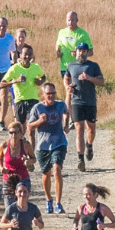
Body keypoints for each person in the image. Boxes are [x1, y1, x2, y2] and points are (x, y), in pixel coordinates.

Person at [28, 81, 72, 212]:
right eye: (48, 94)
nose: (51, 96)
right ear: (43, 94)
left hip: (59, 143)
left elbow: (66, 112)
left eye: (53, 93)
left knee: (57, 170)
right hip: (43, 146)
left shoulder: (60, 104)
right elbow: (30, 126)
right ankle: (49, 200)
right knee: (46, 174)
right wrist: (40, 121)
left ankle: (58, 203)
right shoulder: (37, 108)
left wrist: (66, 125)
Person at [64, 43, 105, 171]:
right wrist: (67, 87)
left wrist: (89, 78)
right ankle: (80, 159)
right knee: (79, 128)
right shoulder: (71, 66)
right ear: (75, 52)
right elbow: (66, 78)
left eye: (84, 51)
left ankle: (89, 144)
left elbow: (102, 82)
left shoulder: (93, 66)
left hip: (90, 102)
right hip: (76, 102)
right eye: (79, 51)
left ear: (87, 52)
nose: (81, 53)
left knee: (91, 129)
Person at [2, 44, 46, 127]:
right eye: (25, 54)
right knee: (21, 128)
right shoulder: (14, 68)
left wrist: (40, 82)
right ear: (20, 55)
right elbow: (2, 84)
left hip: (33, 100)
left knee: (32, 124)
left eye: (30, 54)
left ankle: (32, 140)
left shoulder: (36, 67)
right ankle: (22, 139)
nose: (27, 56)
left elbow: (43, 77)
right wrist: (15, 81)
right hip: (20, 101)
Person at [0, 122, 31, 207]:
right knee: (9, 208)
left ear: (21, 133)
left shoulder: (26, 145)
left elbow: (33, 158)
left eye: (16, 132)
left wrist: (28, 161)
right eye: (11, 132)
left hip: (23, 179)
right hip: (8, 180)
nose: (13, 135)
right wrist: (1, 167)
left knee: (22, 207)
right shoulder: (4, 146)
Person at [55, 10, 92, 76]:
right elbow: (58, 44)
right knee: (67, 86)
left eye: (72, 20)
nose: (70, 23)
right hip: (64, 67)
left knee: (76, 86)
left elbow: (91, 52)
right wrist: (58, 52)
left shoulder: (83, 34)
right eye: (68, 20)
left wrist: (79, 54)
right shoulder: (62, 32)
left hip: (78, 67)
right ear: (66, 20)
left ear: (77, 20)